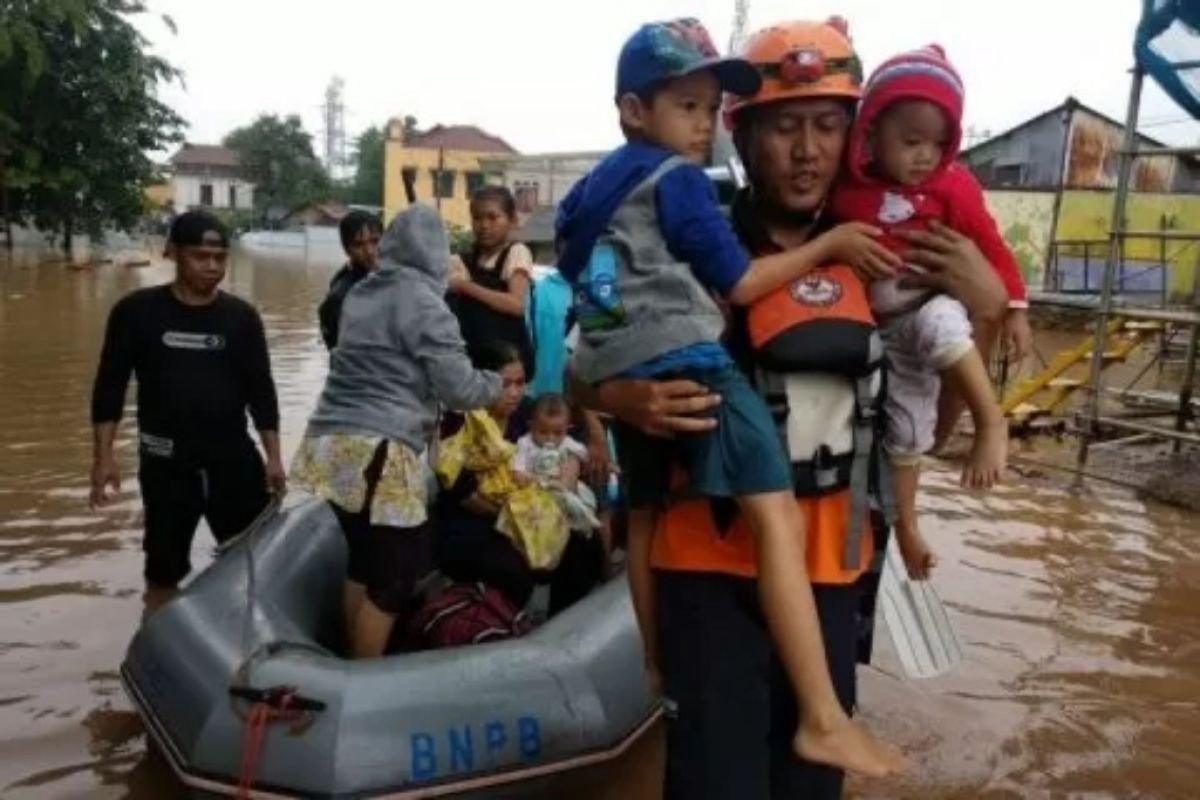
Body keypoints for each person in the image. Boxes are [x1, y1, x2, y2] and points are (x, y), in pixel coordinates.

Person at [572, 18, 1011, 800]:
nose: (806, 151)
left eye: (826, 126)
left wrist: (980, 306)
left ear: (853, 136)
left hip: (832, 576)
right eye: (784, 128)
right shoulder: (688, 230)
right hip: (707, 577)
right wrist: (608, 396)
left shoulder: (890, 258)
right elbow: (583, 347)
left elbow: (929, 432)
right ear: (743, 139)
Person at [828, 44, 1029, 579]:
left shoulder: (953, 185)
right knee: (907, 432)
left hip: (921, 305)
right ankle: (907, 526)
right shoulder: (843, 187)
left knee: (942, 328)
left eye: (938, 144)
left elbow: (991, 244)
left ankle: (991, 422)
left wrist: (1009, 307)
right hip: (876, 326)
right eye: (912, 142)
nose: (925, 156)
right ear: (869, 133)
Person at [290, 204, 502, 659]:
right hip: (379, 450)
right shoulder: (424, 301)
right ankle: (365, 681)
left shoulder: (361, 292)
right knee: (397, 579)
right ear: (436, 252)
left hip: (328, 442)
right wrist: (498, 386)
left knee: (365, 564)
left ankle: (351, 660)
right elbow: (461, 388)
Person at [89, 211, 285, 613]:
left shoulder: (241, 318)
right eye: (200, 256)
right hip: (165, 465)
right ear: (172, 253)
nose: (212, 267)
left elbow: (261, 391)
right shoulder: (135, 313)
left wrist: (274, 456)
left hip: (233, 462)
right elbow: (109, 387)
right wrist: (103, 457)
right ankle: (157, 648)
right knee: (162, 574)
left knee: (252, 565)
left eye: (220, 257)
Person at [435, 342, 605, 618]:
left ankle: (560, 625)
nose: (514, 393)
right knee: (514, 568)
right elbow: (466, 495)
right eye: (505, 384)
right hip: (475, 521)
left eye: (520, 383)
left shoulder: (527, 413)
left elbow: (567, 443)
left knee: (587, 545)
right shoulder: (460, 424)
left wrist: (567, 477)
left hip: (531, 512)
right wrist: (522, 516)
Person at [448, 186, 535, 379]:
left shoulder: (516, 252)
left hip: (508, 369)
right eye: (477, 218)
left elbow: (516, 304)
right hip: (474, 365)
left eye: (493, 217)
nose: (484, 225)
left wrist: (464, 286)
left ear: (512, 220)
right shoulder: (463, 261)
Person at [513, 393, 601, 533]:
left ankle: (583, 518)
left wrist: (608, 464)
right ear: (531, 425)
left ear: (567, 428)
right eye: (542, 432)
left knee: (580, 497)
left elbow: (587, 457)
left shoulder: (568, 442)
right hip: (534, 488)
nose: (550, 438)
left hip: (561, 487)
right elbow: (518, 469)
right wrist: (528, 478)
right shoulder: (525, 443)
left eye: (558, 433)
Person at [318, 210, 383, 350]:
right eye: (359, 244)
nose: (370, 251)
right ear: (347, 249)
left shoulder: (397, 279)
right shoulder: (340, 297)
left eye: (375, 241)